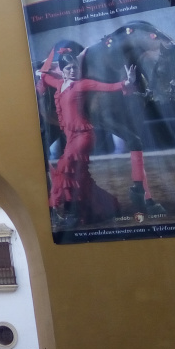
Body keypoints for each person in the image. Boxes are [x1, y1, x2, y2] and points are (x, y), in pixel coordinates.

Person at [38, 47, 136, 225]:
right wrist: (52, 55)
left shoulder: (83, 84)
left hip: (84, 136)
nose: (73, 70)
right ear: (62, 70)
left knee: (65, 169)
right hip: (71, 138)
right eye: (68, 68)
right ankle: (105, 206)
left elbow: (107, 87)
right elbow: (44, 75)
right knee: (79, 176)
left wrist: (126, 83)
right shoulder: (60, 84)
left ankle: (71, 213)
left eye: (75, 67)